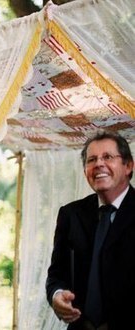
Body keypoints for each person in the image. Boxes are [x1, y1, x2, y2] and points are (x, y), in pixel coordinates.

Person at [46, 131, 134, 330]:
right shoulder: (70, 215)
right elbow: (56, 275)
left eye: (107, 157)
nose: (99, 164)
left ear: (128, 165)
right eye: (91, 159)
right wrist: (57, 295)